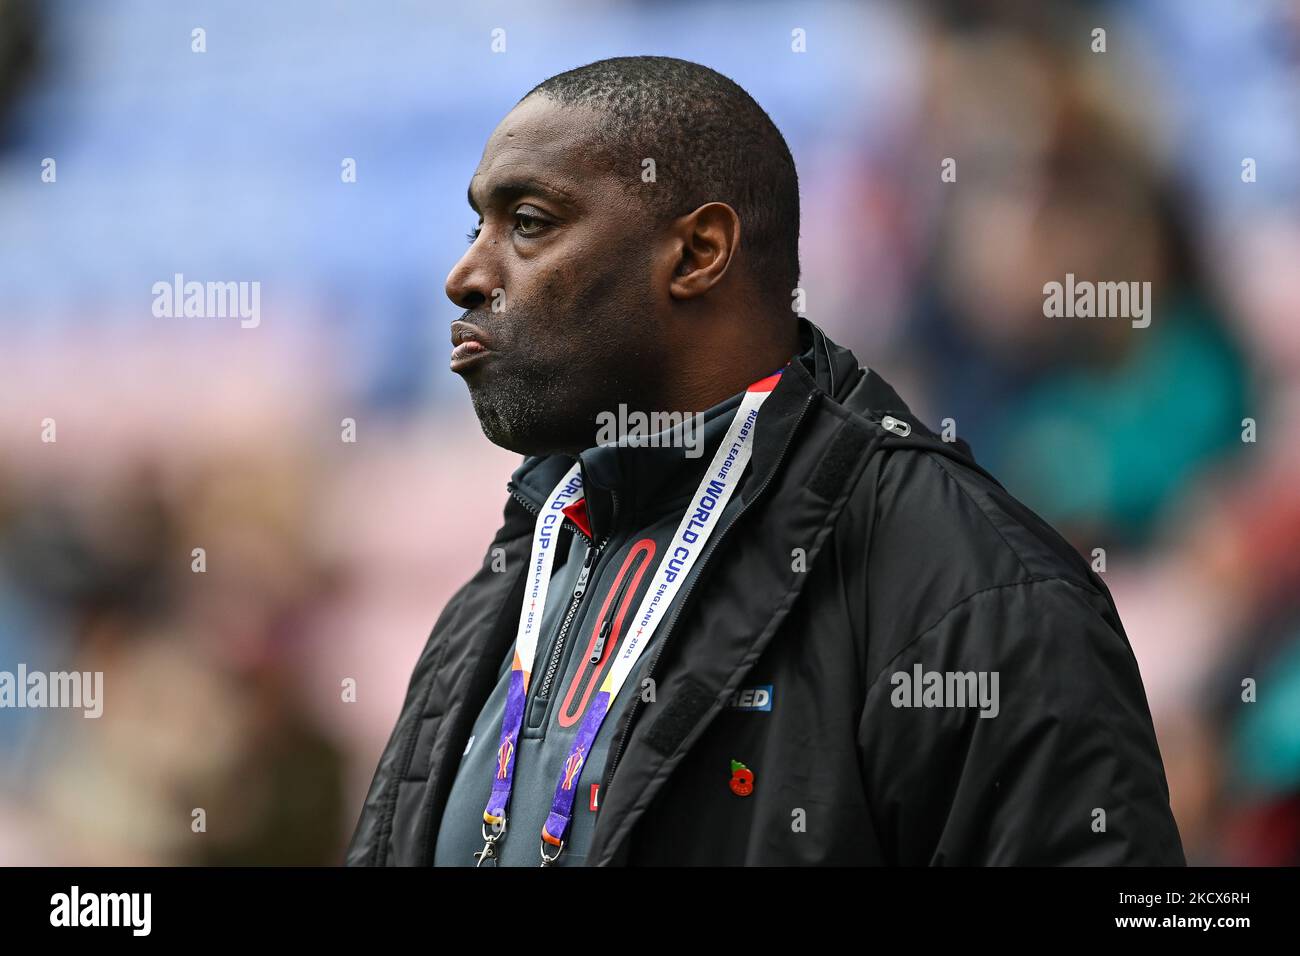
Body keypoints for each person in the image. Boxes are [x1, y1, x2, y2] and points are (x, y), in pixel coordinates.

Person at [345, 56, 1185, 866]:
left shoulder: (969, 590)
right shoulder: (511, 579)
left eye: (528, 223)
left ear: (699, 252)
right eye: (476, 227)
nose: (465, 275)